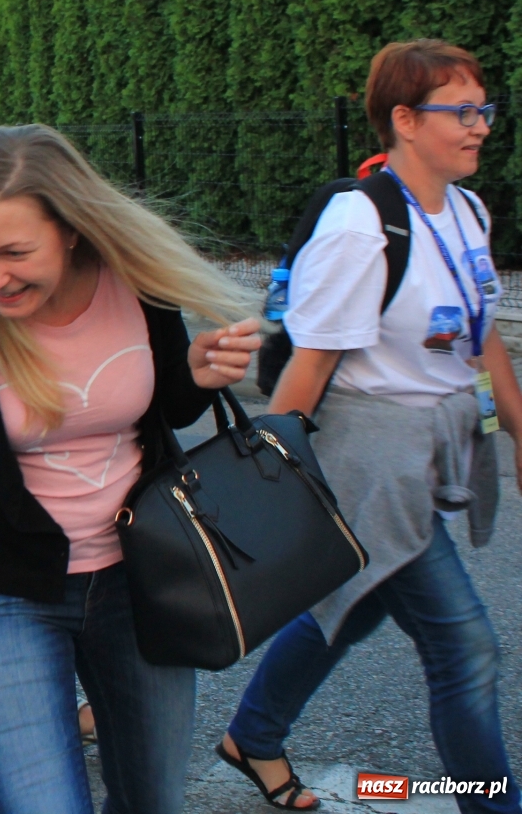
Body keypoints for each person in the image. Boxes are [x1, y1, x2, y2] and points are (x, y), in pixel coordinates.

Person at [0, 124, 259, 814]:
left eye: (15, 252)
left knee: (153, 799)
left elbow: (161, 410)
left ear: (71, 229)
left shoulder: (136, 283)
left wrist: (197, 373)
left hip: (141, 577)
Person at [219, 40, 521, 814]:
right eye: (462, 111)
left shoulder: (467, 209)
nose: (481, 126)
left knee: (356, 602)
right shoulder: (361, 225)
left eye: (483, 109)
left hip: (432, 447)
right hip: (369, 463)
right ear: (404, 120)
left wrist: (520, 432)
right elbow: (310, 366)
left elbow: (483, 337)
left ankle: (253, 735)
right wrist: (276, 483)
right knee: (466, 648)